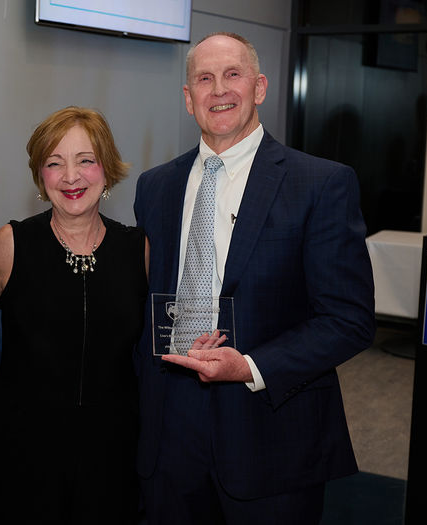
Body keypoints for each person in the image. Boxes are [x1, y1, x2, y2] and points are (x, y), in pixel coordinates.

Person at [133, 32, 375, 524]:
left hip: (271, 433)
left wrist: (248, 366)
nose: (219, 90)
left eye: (232, 75)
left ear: (259, 87)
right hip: (171, 435)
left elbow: (349, 320)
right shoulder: (155, 187)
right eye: (204, 78)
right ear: (187, 98)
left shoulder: (322, 183)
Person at [0, 106, 148, 524]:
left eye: (85, 160)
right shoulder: (11, 244)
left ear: (106, 170)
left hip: (113, 455)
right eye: (54, 163)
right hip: (23, 455)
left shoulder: (137, 249)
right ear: (40, 176)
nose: (71, 177)